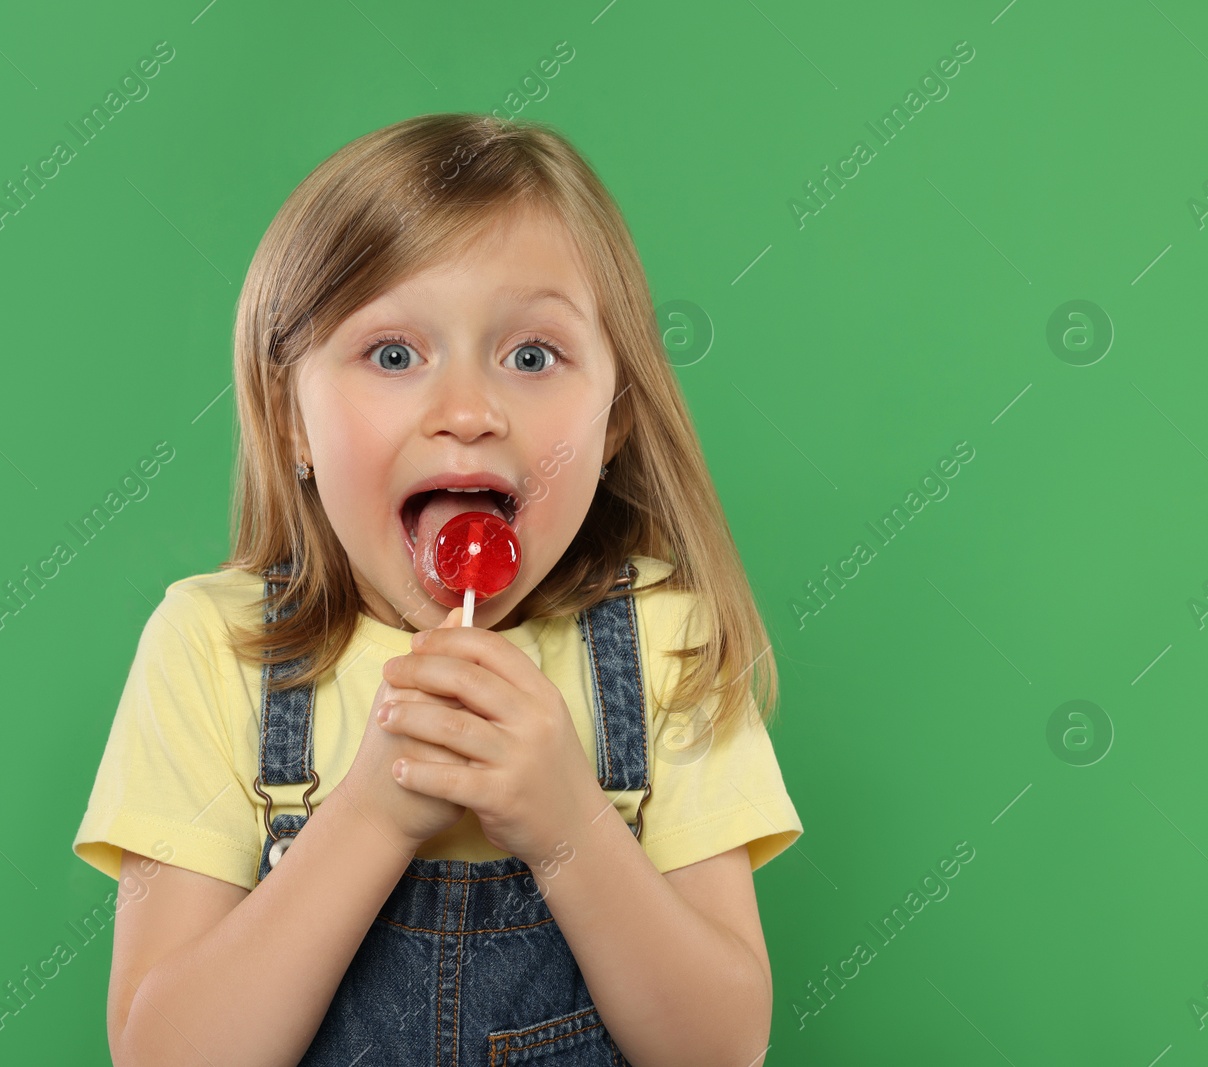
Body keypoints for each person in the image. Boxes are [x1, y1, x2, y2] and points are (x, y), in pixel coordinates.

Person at [72, 111, 803, 1067]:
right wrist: (375, 809)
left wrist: (565, 819)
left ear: (616, 417)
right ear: (289, 412)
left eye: (532, 356)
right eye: (394, 354)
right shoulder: (215, 647)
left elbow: (720, 1048)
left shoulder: (665, 638)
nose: (467, 412)